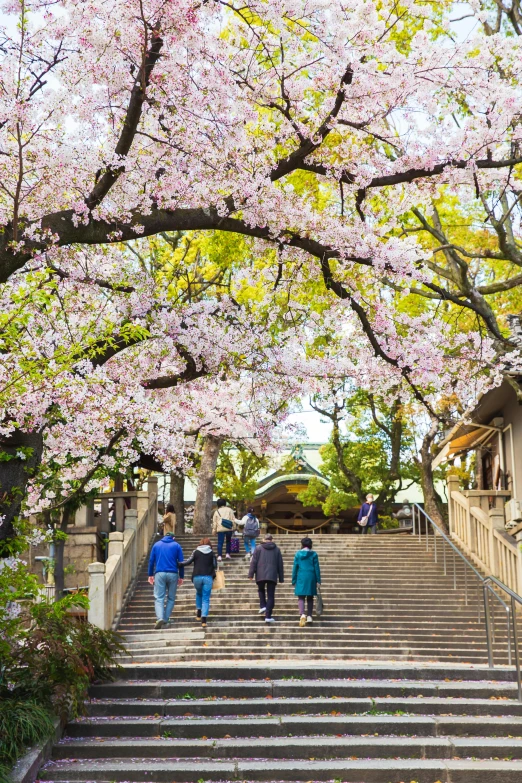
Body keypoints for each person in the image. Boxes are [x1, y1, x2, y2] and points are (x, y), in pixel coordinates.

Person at [147, 533, 184, 629]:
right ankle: (166, 618)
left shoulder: (157, 545)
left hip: (159, 573)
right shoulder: (176, 545)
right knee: (171, 598)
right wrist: (181, 576)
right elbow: (181, 563)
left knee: (159, 598)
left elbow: (151, 561)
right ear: (173, 537)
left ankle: (160, 618)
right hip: (173, 573)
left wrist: (150, 574)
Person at [180, 537, 217, 628]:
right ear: (209, 544)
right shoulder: (212, 553)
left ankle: (198, 613)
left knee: (199, 593)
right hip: (208, 577)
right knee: (206, 598)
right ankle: (204, 620)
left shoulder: (195, 552)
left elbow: (188, 561)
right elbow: (215, 565)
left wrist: (179, 564)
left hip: (197, 577)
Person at [248, 533, 284, 624]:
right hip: (272, 575)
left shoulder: (258, 548)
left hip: (260, 573)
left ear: (264, 539)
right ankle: (268, 616)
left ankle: (263, 605)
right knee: (271, 595)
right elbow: (280, 564)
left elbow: (253, 562)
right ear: (271, 540)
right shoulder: (277, 550)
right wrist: (281, 578)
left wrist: (251, 574)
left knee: (261, 590)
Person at [292, 537, 321, 626]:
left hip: (301, 576)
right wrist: (318, 580)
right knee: (310, 597)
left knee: (301, 597)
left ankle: (302, 614)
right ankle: (309, 616)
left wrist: (293, 579)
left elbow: (295, 567)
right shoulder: (314, 554)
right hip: (311, 576)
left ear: (302, 544)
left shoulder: (298, 554)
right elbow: (317, 568)